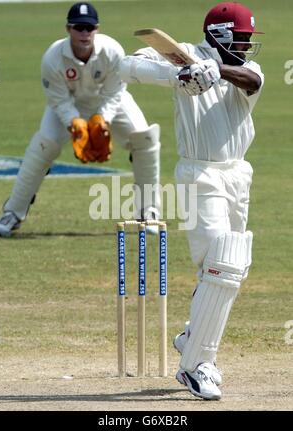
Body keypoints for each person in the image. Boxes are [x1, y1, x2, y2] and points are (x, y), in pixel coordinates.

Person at [119, 1, 264, 400]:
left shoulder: (244, 70)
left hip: (238, 174)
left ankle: (191, 337)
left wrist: (216, 70)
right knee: (222, 266)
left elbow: (251, 80)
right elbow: (129, 66)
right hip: (199, 173)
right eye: (244, 37)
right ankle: (196, 366)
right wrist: (178, 74)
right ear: (220, 35)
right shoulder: (182, 53)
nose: (249, 45)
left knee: (231, 268)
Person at [0, 2, 161, 237]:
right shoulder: (52, 58)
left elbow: (115, 93)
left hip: (108, 102)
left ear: (97, 29)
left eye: (89, 28)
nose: (84, 33)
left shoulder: (113, 51)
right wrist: (76, 124)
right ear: (68, 29)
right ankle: (12, 213)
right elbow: (58, 101)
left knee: (145, 139)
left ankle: (148, 212)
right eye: (79, 28)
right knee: (43, 146)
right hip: (67, 106)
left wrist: (101, 121)